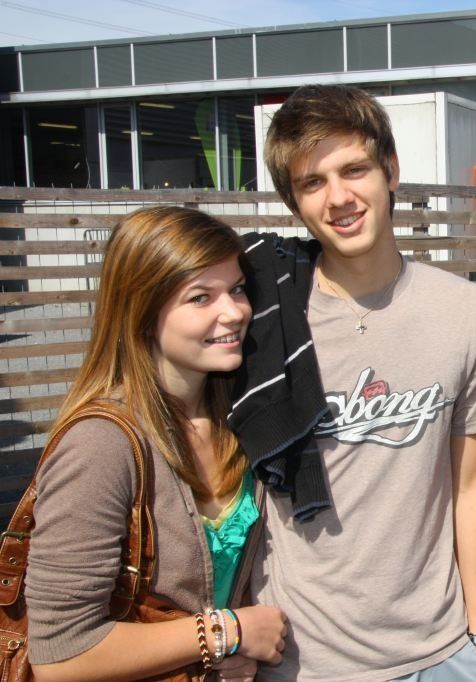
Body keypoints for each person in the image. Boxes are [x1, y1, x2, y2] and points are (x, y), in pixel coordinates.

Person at [229, 84, 476, 680]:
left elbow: (470, 480)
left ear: (391, 171)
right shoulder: (262, 320)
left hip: (442, 654)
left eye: (354, 169)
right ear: (293, 202)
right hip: (303, 661)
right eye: (313, 182)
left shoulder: (467, 311)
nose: (339, 197)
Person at [26, 206, 289, 681]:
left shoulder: (237, 417)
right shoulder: (100, 445)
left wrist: (222, 653)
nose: (234, 312)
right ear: (143, 313)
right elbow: (60, 657)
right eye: (200, 297)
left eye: (236, 289)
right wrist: (226, 632)